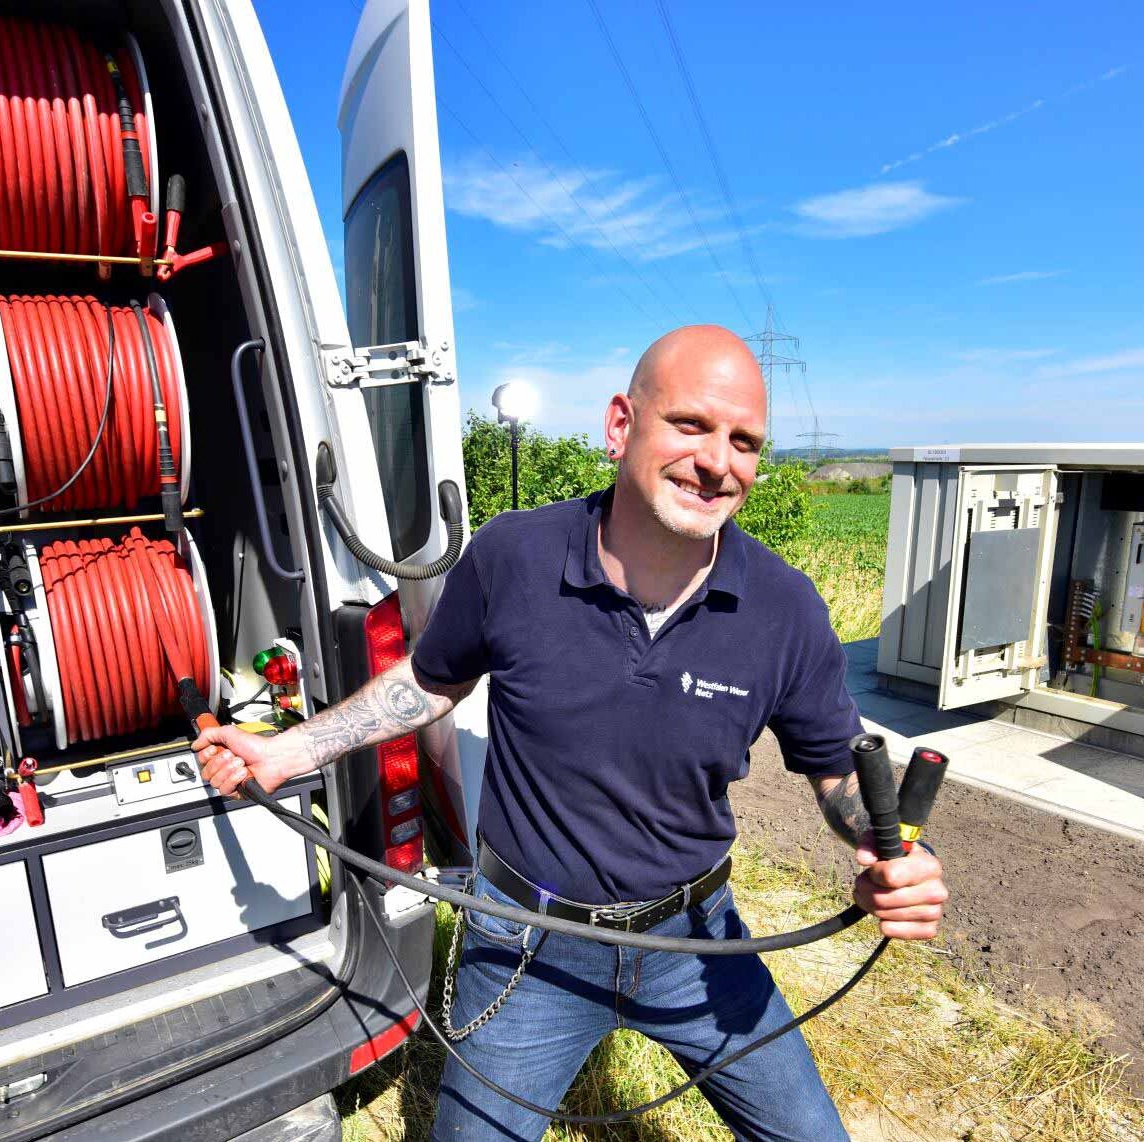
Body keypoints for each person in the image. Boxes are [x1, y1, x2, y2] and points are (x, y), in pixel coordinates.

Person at [194, 325, 948, 1141]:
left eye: (744, 443)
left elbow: (837, 774)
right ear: (620, 425)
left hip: (695, 939)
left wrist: (884, 844)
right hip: (525, 945)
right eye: (689, 425)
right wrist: (287, 749)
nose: (717, 462)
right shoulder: (513, 555)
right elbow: (430, 681)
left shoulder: (784, 607)